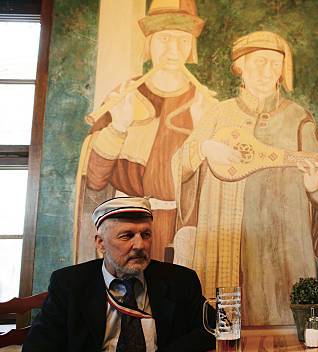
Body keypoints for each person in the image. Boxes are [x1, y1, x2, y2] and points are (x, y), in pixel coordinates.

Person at [171, 31, 318, 325]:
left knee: (288, 328)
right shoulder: (220, 114)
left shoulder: (299, 118)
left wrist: (314, 186)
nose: (266, 72)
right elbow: (181, 163)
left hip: (286, 241)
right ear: (241, 67)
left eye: (274, 65)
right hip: (234, 240)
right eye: (259, 62)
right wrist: (206, 148)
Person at [14, 197, 215, 352]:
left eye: (146, 235)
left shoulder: (179, 280)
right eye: (127, 235)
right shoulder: (69, 286)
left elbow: (216, 326)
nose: (140, 245)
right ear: (100, 243)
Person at [73, 0, 217, 263]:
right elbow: (94, 180)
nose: (173, 50)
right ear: (149, 43)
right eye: (164, 39)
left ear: (191, 47)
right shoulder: (126, 96)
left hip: (183, 227)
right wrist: (118, 127)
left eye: (182, 40)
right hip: (129, 224)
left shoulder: (205, 105)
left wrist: (204, 133)